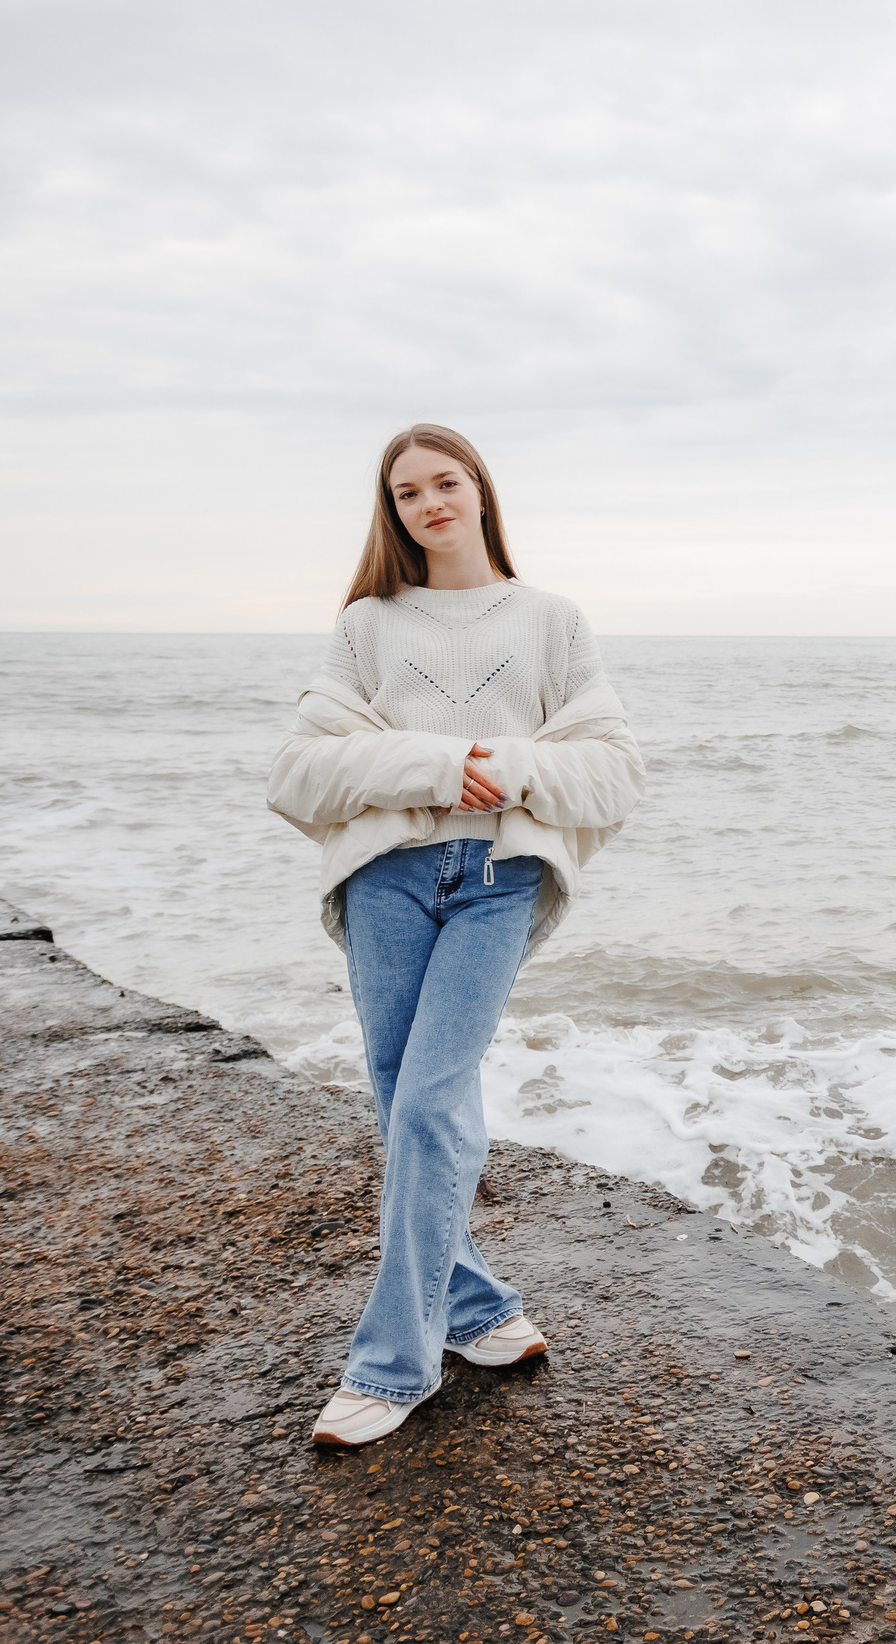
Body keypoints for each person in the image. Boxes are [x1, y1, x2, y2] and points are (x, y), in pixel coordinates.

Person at [266, 423, 645, 1447]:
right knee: (406, 1106)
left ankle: (392, 1365)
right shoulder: (368, 626)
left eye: (446, 482)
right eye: (407, 492)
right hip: (386, 879)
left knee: (431, 1097)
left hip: (495, 879)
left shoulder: (550, 620)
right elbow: (298, 773)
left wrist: (507, 770)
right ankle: (478, 1310)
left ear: (479, 489)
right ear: (392, 512)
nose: (430, 503)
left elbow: (614, 770)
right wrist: (441, 767)